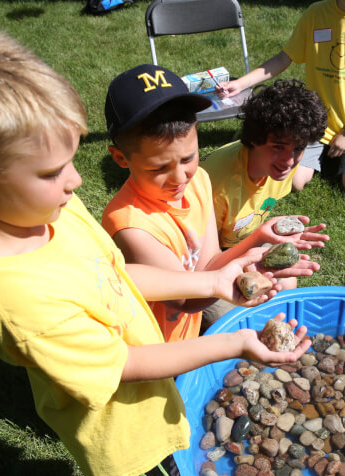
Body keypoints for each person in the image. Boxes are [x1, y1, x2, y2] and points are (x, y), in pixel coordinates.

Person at [0, 27, 311, 476]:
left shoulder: (52, 211)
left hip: (151, 402)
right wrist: (237, 343)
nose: (76, 182)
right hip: (126, 442)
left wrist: (211, 285)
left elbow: (114, 273)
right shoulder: (17, 295)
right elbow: (125, 364)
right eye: (55, 170)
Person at [102, 65, 326, 342]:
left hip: (191, 329)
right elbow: (184, 301)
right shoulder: (129, 223)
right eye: (159, 167)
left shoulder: (200, 181)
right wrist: (237, 273)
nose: (180, 177)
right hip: (158, 343)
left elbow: (209, 263)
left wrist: (258, 237)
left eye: (188, 158)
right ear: (121, 159)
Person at [216, 0, 345, 199]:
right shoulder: (316, 13)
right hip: (314, 120)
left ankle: (338, 153)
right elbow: (284, 58)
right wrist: (240, 84)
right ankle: (324, 153)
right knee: (293, 181)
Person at [201, 79, 328, 250]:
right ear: (254, 138)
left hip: (237, 242)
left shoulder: (280, 164)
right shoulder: (217, 187)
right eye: (278, 147)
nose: (289, 161)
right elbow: (206, 258)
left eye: (299, 148)